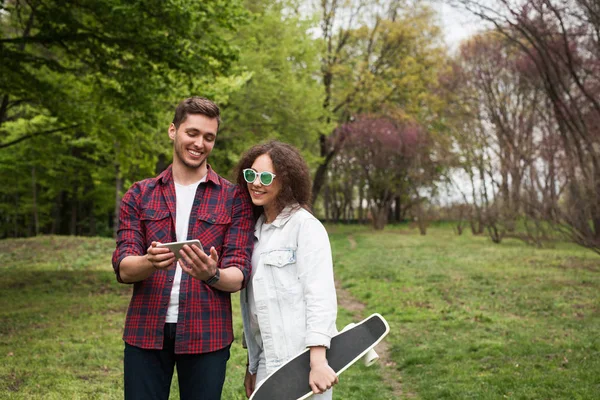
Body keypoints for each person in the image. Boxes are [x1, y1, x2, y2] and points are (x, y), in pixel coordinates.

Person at [112, 96, 254, 400]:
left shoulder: (234, 198)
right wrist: (150, 262)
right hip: (145, 330)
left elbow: (239, 274)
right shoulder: (139, 194)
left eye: (209, 137)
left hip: (208, 333)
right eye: (192, 133)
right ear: (173, 131)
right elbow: (123, 268)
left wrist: (211, 274)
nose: (199, 143)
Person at [235, 141, 339, 399]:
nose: (256, 183)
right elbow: (254, 310)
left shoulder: (305, 227)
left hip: (303, 362)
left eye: (266, 177)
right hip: (267, 364)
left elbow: (319, 296)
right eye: (251, 174)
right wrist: (253, 365)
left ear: (287, 181)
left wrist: (317, 362)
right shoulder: (254, 232)